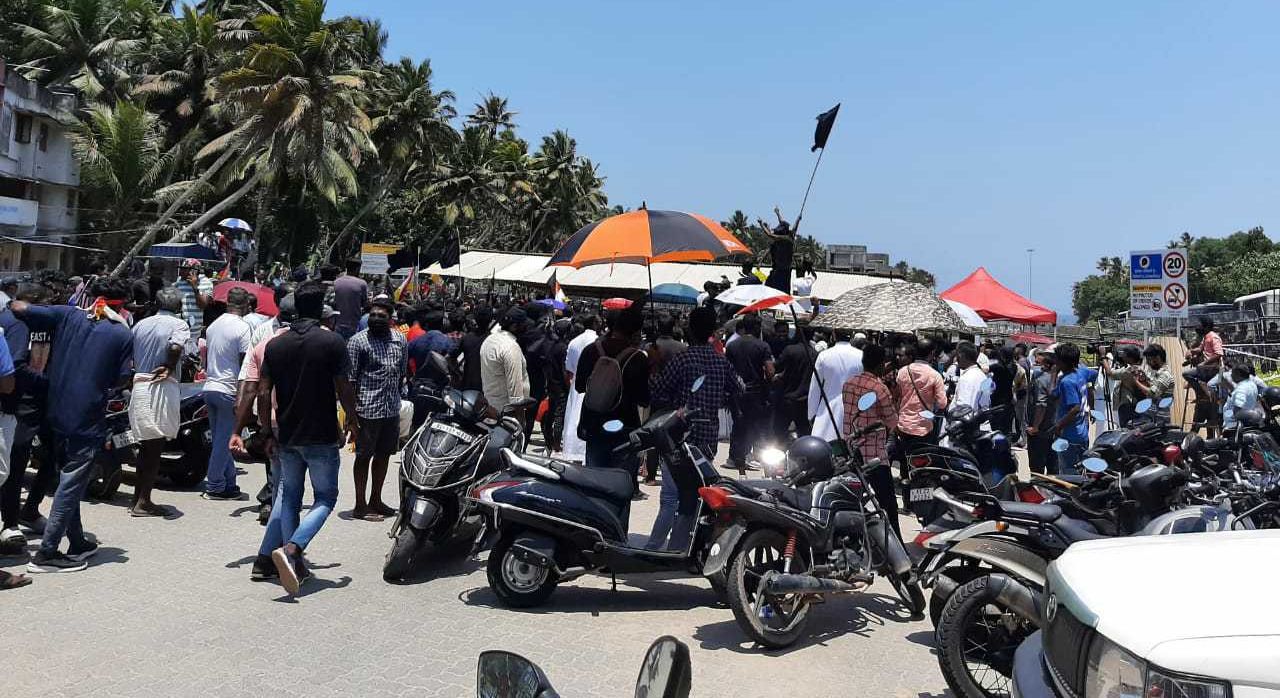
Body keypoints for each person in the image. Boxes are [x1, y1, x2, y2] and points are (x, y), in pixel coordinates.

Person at [236, 280, 358, 594]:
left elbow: (263, 393)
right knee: (325, 499)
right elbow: (344, 387)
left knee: (289, 497)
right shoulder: (332, 343)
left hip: (287, 435)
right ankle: (292, 550)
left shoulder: (276, 345)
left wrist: (265, 431)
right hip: (321, 435)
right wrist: (353, 422)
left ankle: (290, 561)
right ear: (320, 309)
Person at [14, 278, 132, 574]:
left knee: (70, 477)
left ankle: (77, 542)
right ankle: (47, 552)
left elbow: (19, 306)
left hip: (55, 412)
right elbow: (121, 379)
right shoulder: (121, 334)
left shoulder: (67, 314)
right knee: (71, 481)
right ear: (123, 305)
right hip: (86, 418)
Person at [647, 307, 740, 550]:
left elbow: (657, 391)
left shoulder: (682, 359)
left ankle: (654, 549)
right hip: (707, 441)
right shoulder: (721, 362)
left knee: (670, 497)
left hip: (679, 439)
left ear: (690, 329)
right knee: (694, 497)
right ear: (712, 331)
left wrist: (655, 366)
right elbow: (739, 388)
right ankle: (679, 547)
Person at [126, 286, 189, 517]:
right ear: (178, 306)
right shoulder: (179, 324)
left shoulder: (141, 324)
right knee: (154, 448)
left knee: (145, 446)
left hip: (139, 384)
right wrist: (169, 366)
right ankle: (143, 502)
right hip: (161, 386)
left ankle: (137, 499)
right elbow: (176, 346)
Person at [234, 294, 296, 524]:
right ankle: (274, 507)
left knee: (284, 467)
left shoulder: (306, 337)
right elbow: (249, 375)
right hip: (269, 407)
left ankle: (277, 508)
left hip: (291, 411)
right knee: (275, 463)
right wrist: (241, 404)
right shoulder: (263, 333)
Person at [346, 297, 407, 521]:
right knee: (363, 457)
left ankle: (376, 500)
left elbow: (402, 374)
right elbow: (350, 381)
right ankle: (360, 505)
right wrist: (351, 417)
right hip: (366, 411)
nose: (376, 319)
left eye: (381, 316)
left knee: (383, 456)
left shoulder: (400, 339)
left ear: (390, 319)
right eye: (372, 315)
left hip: (391, 410)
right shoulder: (357, 342)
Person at [575, 307, 650, 474]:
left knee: (595, 481)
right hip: (625, 428)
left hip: (594, 426)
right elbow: (644, 399)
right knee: (620, 484)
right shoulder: (638, 358)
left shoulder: (591, 350)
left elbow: (579, 386)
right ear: (635, 331)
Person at [841, 343, 900, 535]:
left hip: (850, 450)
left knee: (852, 500)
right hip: (874, 455)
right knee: (888, 504)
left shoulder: (849, 384)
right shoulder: (880, 388)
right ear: (881, 364)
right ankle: (896, 545)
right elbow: (892, 422)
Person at [202, 287, 254, 499]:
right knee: (225, 441)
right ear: (246, 306)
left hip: (210, 387)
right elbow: (245, 364)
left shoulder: (214, 325)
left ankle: (229, 482)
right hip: (229, 390)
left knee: (221, 439)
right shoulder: (243, 328)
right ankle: (214, 485)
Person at [725, 313, 774, 470]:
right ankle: (743, 455)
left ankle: (733, 457)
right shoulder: (763, 346)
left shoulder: (732, 345)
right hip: (755, 393)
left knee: (737, 424)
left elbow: (727, 369)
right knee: (752, 426)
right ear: (757, 327)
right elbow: (770, 371)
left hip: (735, 392)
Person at [893, 340, 948, 458]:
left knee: (905, 458)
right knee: (922, 459)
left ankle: (905, 475)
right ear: (932, 353)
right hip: (924, 426)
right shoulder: (935, 375)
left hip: (903, 425)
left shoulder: (903, 371)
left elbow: (896, 396)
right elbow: (942, 404)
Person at [1050, 343, 1097, 475]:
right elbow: (1094, 374)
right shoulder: (1082, 372)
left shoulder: (1067, 382)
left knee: (1068, 473)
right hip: (1082, 433)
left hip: (1069, 436)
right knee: (1082, 470)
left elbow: (1075, 408)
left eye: (1057, 359)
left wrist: (1059, 426)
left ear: (1062, 362)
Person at [808, 329, 863, 441]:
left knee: (823, 447)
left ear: (833, 334)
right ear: (852, 335)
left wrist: (811, 414)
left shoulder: (824, 355)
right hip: (854, 410)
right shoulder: (861, 356)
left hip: (827, 410)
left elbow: (815, 388)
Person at [480, 307, 531, 417]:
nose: (526, 328)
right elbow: (515, 391)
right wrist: (520, 419)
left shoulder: (489, 340)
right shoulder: (511, 347)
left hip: (490, 406)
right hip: (507, 413)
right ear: (514, 326)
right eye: (523, 325)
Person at [561, 312, 598, 460]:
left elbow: (568, 370)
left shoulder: (574, 342)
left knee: (572, 419)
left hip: (575, 384)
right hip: (593, 386)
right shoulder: (598, 341)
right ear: (595, 324)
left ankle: (571, 451)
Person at [772, 323, 815, 439]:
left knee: (778, 433)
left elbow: (776, 366)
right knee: (804, 434)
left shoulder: (790, 350)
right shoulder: (814, 354)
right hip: (805, 401)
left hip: (787, 398)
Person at [1023, 349, 1058, 474]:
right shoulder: (1058, 380)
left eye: (1038, 364)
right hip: (1054, 428)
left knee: (1036, 468)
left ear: (1047, 365)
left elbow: (1041, 405)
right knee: (1053, 466)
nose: (1034, 366)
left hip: (1040, 431)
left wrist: (1035, 427)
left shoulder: (1041, 380)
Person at [451, 305, 490, 392]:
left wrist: (458, 374)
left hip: (468, 385)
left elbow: (451, 356)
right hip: (488, 387)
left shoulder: (466, 338)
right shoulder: (495, 340)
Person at [175, 258, 212, 347]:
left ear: (193, 272)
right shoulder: (179, 282)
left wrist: (194, 287)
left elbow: (202, 305)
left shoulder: (206, 283)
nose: (180, 272)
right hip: (179, 329)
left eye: (184, 269)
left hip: (194, 331)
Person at [331, 260, 368, 339]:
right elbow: (365, 304)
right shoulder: (362, 284)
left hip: (337, 323)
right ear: (358, 269)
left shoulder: (336, 282)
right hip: (354, 324)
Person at [952, 342, 992, 411]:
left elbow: (963, 411)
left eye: (957, 355)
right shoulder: (983, 376)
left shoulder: (966, 379)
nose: (956, 358)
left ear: (961, 356)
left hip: (970, 420)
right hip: (981, 419)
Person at [1222, 364, 1259, 429]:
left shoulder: (1241, 389)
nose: (1231, 376)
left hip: (1234, 427)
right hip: (1245, 422)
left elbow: (1238, 413)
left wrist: (1227, 413)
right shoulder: (1251, 384)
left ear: (1238, 374)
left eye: (1232, 373)